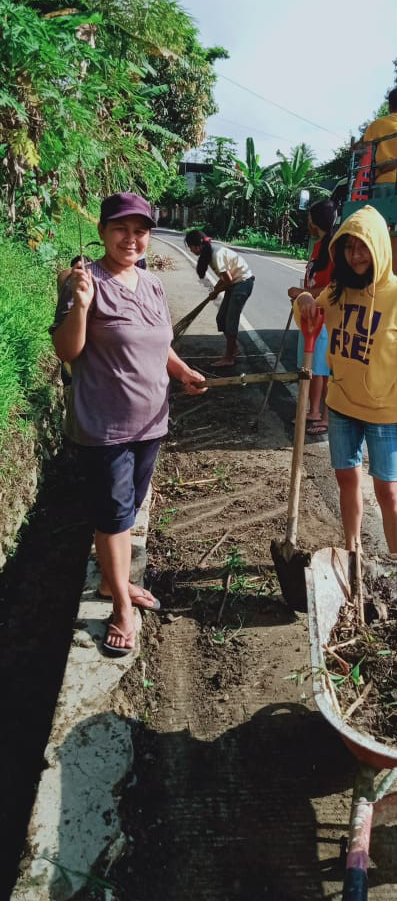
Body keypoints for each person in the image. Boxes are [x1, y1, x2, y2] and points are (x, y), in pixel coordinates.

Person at [50, 192, 206, 657]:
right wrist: (80, 305)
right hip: (105, 428)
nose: (131, 239)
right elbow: (67, 352)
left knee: (125, 510)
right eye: (121, 229)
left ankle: (111, 585)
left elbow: (159, 345)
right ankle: (120, 605)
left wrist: (182, 372)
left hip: (151, 424)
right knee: (115, 518)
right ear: (102, 232)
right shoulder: (83, 280)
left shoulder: (152, 284)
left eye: (140, 231)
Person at [294, 204, 397, 554]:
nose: (356, 256)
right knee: (346, 479)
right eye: (349, 247)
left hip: (385, 412)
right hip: (340, 407)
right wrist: (306, 298)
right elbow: (309, 317)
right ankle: (353, 551)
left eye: (363, 247)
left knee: (388, 492)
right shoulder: (339, 290)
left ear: (379, 247)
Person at [287, 198, 336, 436]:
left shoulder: (334, 247)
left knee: (324, 370)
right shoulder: (318, 246)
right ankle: (315, 411)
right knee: (315, 369)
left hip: (326, 320)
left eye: (309, 220)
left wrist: (304, 294)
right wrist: (302, 296)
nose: (308, 224)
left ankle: (324, 416)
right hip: (311, 317)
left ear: (316, 221)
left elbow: (332, 287)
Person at [184, 230, 255, 367]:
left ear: (198, 245)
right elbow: (225, 280)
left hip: (242, 283)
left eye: (191, 247)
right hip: (234, 284)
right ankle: (234, 349)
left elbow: (228, 280)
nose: (191, 250)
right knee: (221, 319)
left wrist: (216, 291)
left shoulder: (216, 254)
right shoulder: (208, 254)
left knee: (230, 320)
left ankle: (229, 358)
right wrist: (215, 289)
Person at [363, 87, 397, 195]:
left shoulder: (375, 125)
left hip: (379, 182)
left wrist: (380, 171)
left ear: (389, 106)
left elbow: (365, 149)